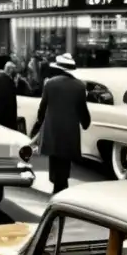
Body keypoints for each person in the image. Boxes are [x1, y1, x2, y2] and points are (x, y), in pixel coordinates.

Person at [30, 53, 90, 193]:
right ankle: (61, 185)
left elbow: (43, 106)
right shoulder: (80, 86)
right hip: (70, 131)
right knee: (65, 162)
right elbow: (82, 109)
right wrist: (85, 123)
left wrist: (39, 120)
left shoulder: (50, 83)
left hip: (52, 130)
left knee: (55, 159)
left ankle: (57, 185)